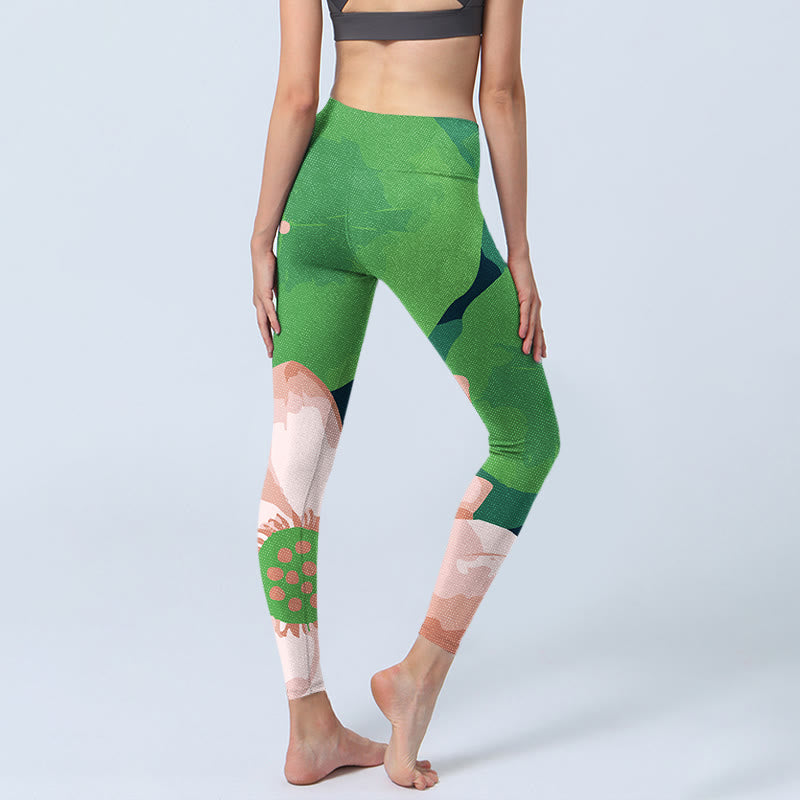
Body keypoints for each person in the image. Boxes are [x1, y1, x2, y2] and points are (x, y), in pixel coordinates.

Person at [249, 0, 561, 790]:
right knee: (527, 438)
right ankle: (417, 675)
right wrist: (520, 252)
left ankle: (308, 724)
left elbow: (296, 95)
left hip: (322, 185)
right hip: (425, 187)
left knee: (294, 472)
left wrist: (260, 236)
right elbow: (500, 93)